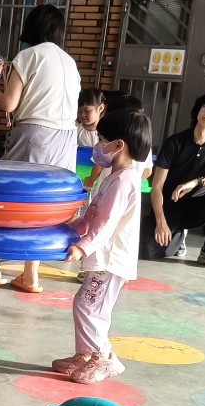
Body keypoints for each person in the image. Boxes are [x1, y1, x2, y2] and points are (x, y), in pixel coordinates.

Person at [0, 4, 80, 293]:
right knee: (41, 205)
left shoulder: (28, 56)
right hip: (67, 137)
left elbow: (9, 103)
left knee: (8, 196)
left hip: (34, 134)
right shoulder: (69, 61)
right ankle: (30, 276)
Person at [54, 109, 152, 384]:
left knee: (90, 307)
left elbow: (107, 224)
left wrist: (82, 247)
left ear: (118, 145)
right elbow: (93, 214)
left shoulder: (124, 181)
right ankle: (85, 355)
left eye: (101, 140)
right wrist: (73, 228)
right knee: (87, 304)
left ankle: (104, 358)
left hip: (111, 261)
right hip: (104, 259)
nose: (97, 145)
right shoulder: (113, 177)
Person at [141, 90, 205, 265]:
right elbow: (156, 187)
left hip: (199, 206)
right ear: (198, 109)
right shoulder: (175, 142)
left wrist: (197, 182)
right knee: (149, 251)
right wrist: (160, 222)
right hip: (171, 205)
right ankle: (179, 237)